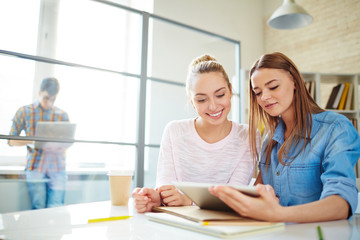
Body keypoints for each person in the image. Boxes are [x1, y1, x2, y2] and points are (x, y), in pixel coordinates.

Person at [209, 52, 360, 223]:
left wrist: (277, 214)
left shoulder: (335, 128)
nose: (264, 97)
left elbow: (341, 204)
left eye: (273, 87)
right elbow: (259, 193)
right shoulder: (270, 140)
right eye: (257, 92)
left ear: (294, 82)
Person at [132, 54, 260, 213]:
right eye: (201, 100)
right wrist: (155, 198)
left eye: (220, 95)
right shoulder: (174, 131)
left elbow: (233, 196)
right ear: (192, 101)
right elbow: (164, 189)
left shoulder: (248, 136)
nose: (213, 106)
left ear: (230, 90)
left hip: (221, 228)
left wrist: (189, 200)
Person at [8, 77, 70, 209]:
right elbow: (11, 141)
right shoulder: (24, 112)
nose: (49, 103)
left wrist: (59, 145)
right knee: (38, 207)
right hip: (36, 166)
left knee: (57, 207)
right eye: (46, 98)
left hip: (58, 167)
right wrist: (33, 140)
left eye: (53, 99)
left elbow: (68, 142)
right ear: (39, 93)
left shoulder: (62, 115)